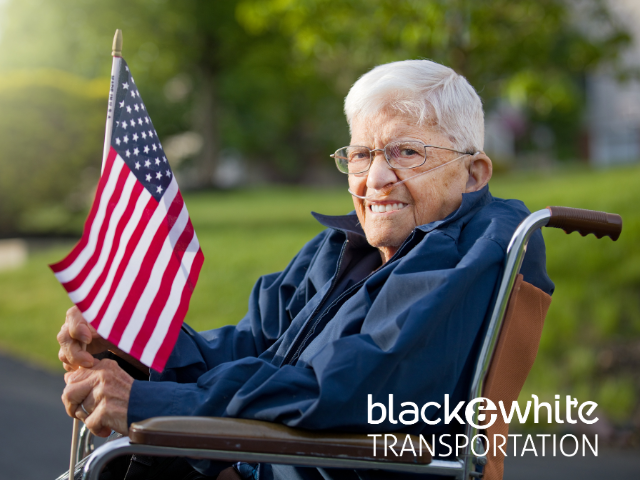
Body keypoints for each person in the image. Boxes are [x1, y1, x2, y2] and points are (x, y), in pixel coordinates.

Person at [58, 59, 554, 479]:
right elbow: (253, 347)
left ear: (474, 173)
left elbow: (349, 388)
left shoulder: (479, 250)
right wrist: (136, 346)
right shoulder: (346, 246)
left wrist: (152, 404)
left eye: (406, 152)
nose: (375, 179)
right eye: (361, 155)